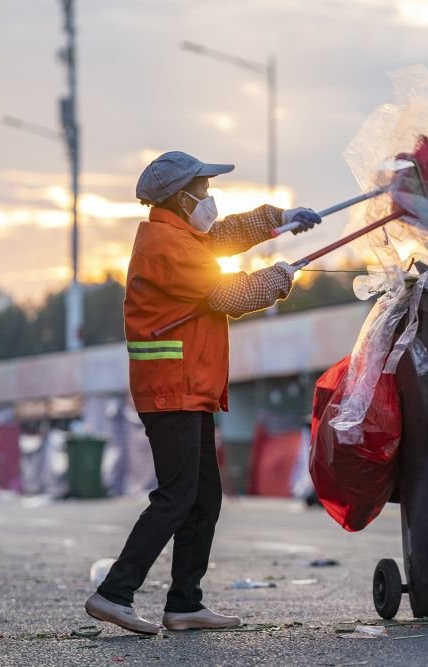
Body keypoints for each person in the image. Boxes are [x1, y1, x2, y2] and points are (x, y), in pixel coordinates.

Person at [84, 151, 322, 634]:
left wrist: (281, 219)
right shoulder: (167, 248)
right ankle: (114, 592)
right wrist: (280, 278)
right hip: (171, 389)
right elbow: (231, 295)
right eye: (204, 190)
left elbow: (225, 236)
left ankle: (185, 603)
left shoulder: (179, 237)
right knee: (177, 496)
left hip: (188, 389)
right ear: (180, 197)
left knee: (203, 498)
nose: (210, 198)